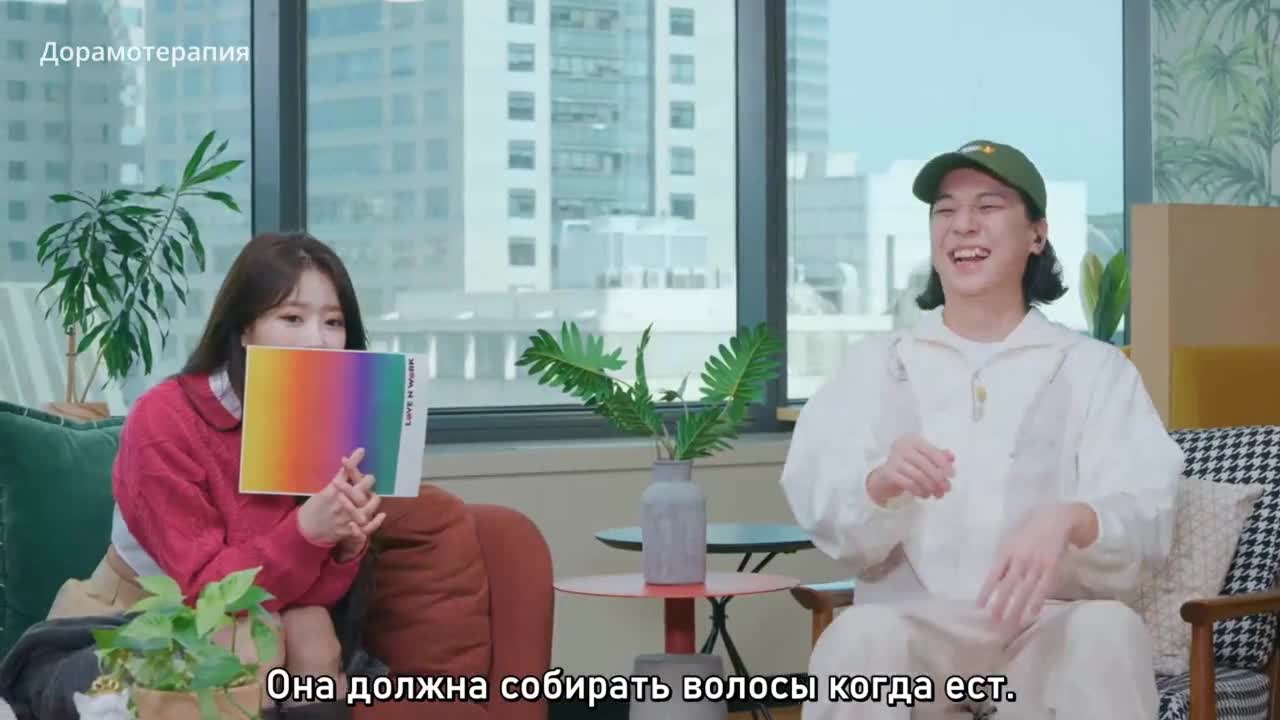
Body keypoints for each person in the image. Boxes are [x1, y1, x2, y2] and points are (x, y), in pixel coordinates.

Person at [780, 140, 1183, 719]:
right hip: (914, 630)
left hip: (1045, 627)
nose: (962, 225)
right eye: (944, 210)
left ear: (1037, 235)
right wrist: (878, 484)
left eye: (988, 207)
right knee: (857, 638)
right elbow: (823, 503)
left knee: (1107, 631)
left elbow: (1147, 511)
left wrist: (1071, 518)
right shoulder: (877, 364)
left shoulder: (1093, 369)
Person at [38, 231, 387, 720]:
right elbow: (206, 591)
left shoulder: (329, 414)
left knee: (312, 631)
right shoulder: (164, 418)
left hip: (265, 606)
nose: (317, 340)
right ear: (244, 329)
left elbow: (303, 588)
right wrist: (307, 531)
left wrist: (344, 547)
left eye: (333, 322)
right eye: (292, 318)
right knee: (257, 643)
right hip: (147, 609)